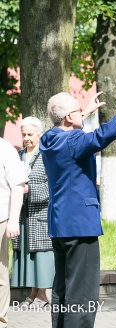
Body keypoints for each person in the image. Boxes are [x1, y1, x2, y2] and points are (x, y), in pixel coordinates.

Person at [39, 81, 116, 328]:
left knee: (63, 288)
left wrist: (84, 112)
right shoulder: (74, 142)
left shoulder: (49, 138)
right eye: (77, 110)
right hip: (80, 224)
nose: (83, 112)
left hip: (60, 223)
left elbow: (67, 128)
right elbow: (104, 134)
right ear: (70, 117)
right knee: (81, 295)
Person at [11, 117, 54, 309]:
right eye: (24, 135)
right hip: (22, 214)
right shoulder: (18, 155)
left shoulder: (47, 155)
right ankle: (32, 293)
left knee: (41, 255)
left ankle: (43, 295)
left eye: (30, 134)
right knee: (27, 253)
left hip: (40, 213)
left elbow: (51, 185)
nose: (26, 138)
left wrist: (29, 190)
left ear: (39, 135)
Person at [0, 137, 28, 328]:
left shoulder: (4, 148)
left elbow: (18, 185)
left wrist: (13, 220)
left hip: (0, 219)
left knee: (0, 275)